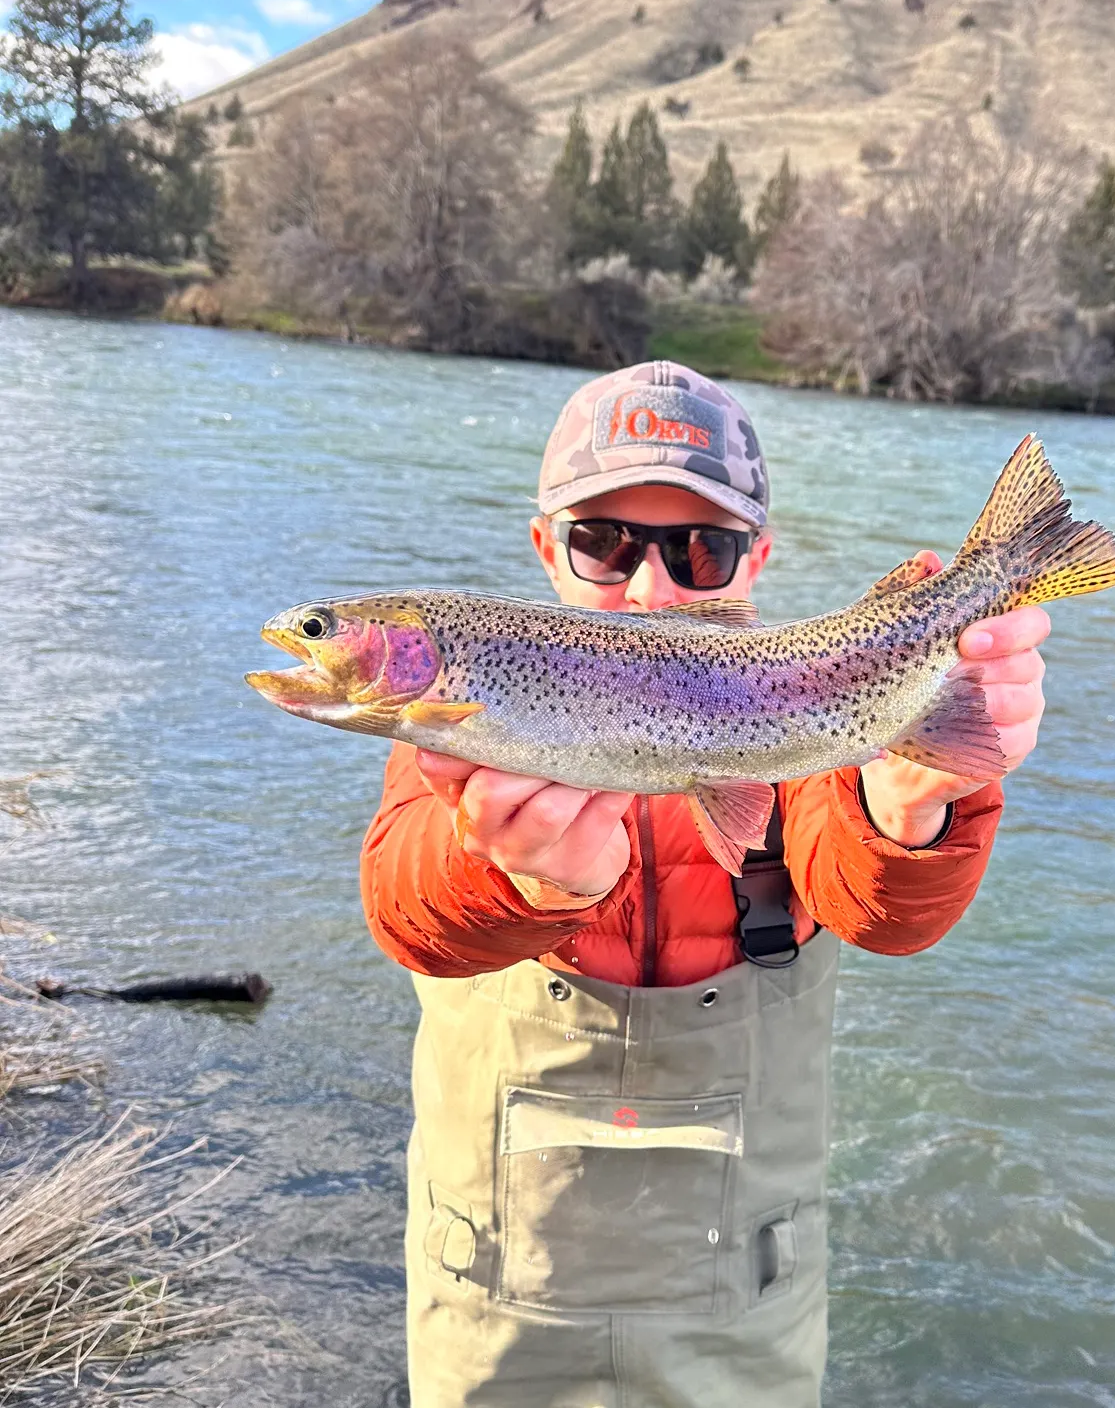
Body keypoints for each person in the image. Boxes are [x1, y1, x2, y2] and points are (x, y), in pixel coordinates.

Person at [360, 361, 1050, 1408]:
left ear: (756, 559)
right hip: (493, 1296)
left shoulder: (798, 700)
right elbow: (406, 913)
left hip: (747, 1303)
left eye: (700, 550)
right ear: (545, 546)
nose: (651, 588)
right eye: (605, 544)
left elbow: (879, 912)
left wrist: (912, 803)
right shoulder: (457, 731)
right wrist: (520, 883)